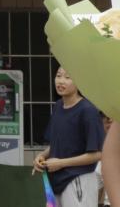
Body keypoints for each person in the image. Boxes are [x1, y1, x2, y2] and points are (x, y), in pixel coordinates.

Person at [34, 67, 105, 207]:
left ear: (79, 82)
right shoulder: (58, 106)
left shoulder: (88, 111)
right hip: (56, 181)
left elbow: (98, 154)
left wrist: (61, 163)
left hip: (79, 180)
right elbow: (57, 144)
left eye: (68, 77)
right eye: (58, 76)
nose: (61, 81)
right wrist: (41, 156)